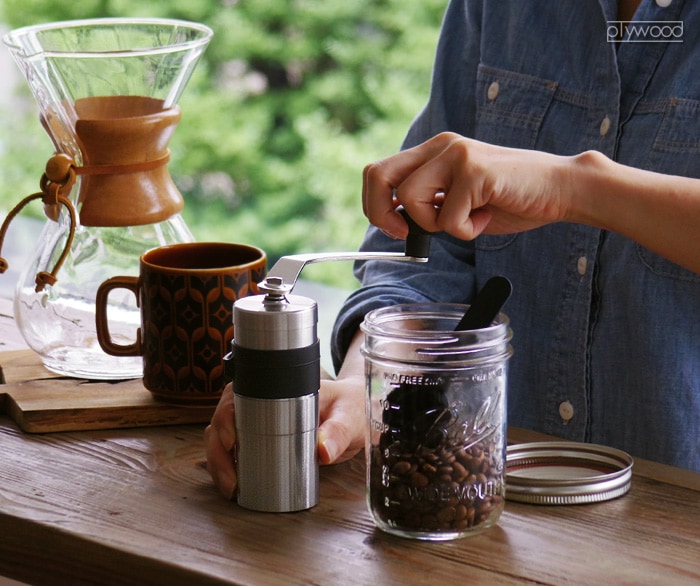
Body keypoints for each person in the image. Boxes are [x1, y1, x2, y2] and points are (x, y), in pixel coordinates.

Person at [206, 0, 700, 498]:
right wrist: (366, 389)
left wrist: (576, 188)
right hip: (484, 502)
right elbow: (429, 252)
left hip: (678, 522)